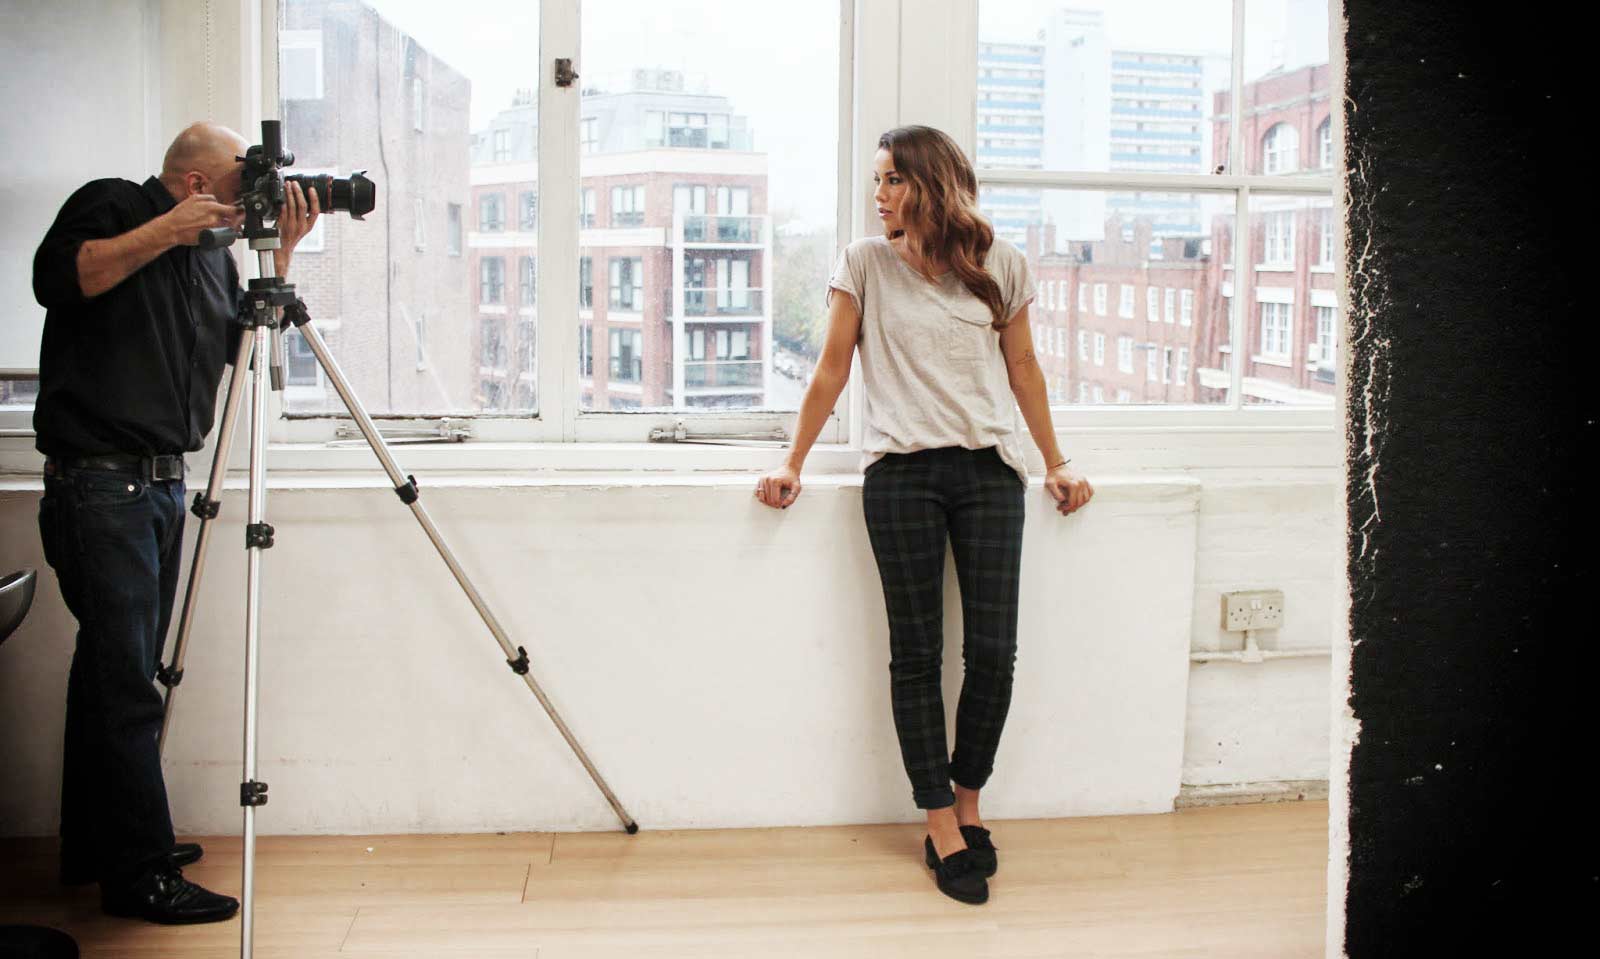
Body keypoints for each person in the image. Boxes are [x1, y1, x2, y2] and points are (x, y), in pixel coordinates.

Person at [754, 125, 1094, 905]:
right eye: (875, 180)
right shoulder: (864, 263)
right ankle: (939, 820)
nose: (877, 195)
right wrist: (792, 459)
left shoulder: (1000, 264)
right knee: (916, 657)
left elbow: (1025, 368)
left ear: (928, 184)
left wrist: (1056, 462)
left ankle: (970, 799)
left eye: (890, 180)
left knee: (994, 653)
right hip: (901, 476)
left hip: (988, 474)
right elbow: (832, 368)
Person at [31, 121, 320, 924]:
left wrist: (279, 260)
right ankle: (140, 874)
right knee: (127, 684)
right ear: (194, 183)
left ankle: (101, 843)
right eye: (238, 188)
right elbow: (59, 277)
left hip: (159, 486)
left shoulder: (210, 258)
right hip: (98, 482)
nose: (246, 203)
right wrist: (169, 228)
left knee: (112, 674)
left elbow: (241, 352)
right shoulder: (112, 205)